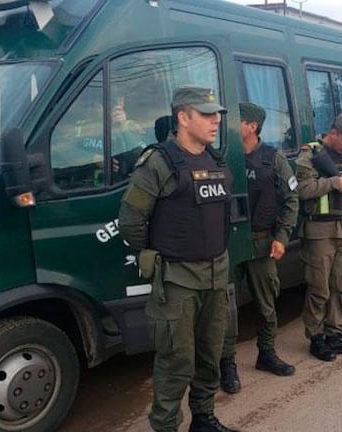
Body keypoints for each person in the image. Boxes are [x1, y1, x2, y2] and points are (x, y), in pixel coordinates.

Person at [118, 86, 238, 432]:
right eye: (206, 114)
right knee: (175, 362)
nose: (216, 120)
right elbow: (130, 219)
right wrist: (159, 252)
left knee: (210, 355)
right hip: (177, 282)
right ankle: (167, 425)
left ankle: (203, 418)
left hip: (216, 276)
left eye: (216, 113)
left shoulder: (215, 160)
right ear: (183, 118)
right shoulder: (159, 162)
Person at [219, 102, 299, 393]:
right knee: (225, 309)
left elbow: (291, 200)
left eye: (238, 120)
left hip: (263, 241)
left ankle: (266, 354)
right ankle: (226, 364)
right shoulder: (225, 157)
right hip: (229, 243)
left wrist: (282, 236)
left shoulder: (273, 159)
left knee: (266, 304)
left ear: (252, 126)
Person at [295, 111, 342, 361]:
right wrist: (334, 183)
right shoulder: (310, 154)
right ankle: (316, 338)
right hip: (318, 230)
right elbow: (302, 190)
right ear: (334, 132)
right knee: (319, 289)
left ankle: (335, 335)